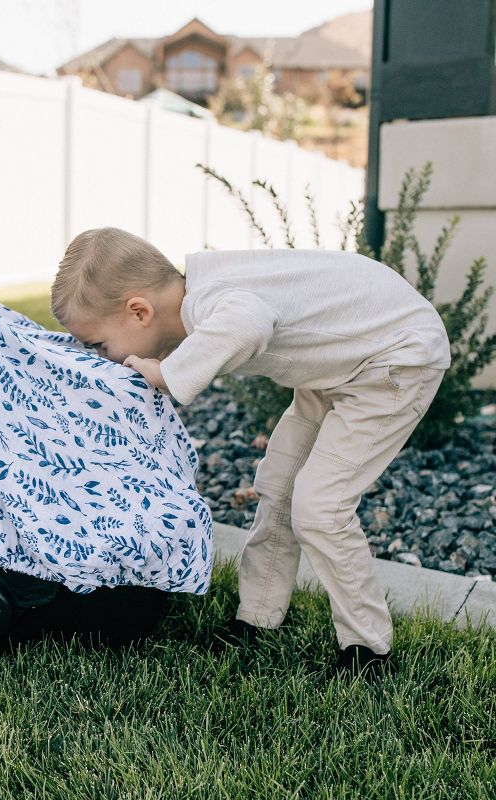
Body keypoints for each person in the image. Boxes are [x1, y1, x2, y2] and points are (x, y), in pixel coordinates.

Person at [50, 226, 451, 677]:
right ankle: (258, 616)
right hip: (340, 365)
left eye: (100, 346)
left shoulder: (212, 300)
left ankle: (368, 649)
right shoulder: (206, 290)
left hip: (393, 363)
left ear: (139, 311)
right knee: (278, 486)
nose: (105, 358)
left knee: (320, 507)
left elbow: (249, 322)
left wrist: (166, 374)